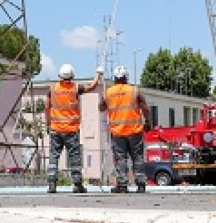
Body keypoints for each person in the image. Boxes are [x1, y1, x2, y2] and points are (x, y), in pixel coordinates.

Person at [45, 63, 102, 194]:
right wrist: (98, 75)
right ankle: (77, 184)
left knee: (53, 157)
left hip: (55, 129)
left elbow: (47, 107)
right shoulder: (76, 88)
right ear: (72, 76)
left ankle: (52, 184)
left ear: (60, 75)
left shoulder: (52, 89)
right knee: (74, 157)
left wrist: (48, 124)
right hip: (71, 129)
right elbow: (92, 87)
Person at [98, 66, 150, 194]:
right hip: (135, 131)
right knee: (137, 158)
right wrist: (147, 122)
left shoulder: (108, 92)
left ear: (115, 78)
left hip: (118, 132)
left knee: (120, 159)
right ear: (126, 77)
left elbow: (101, 107)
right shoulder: (134, 91)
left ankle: (122, 185)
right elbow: (145, 107)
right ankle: (141, 184)